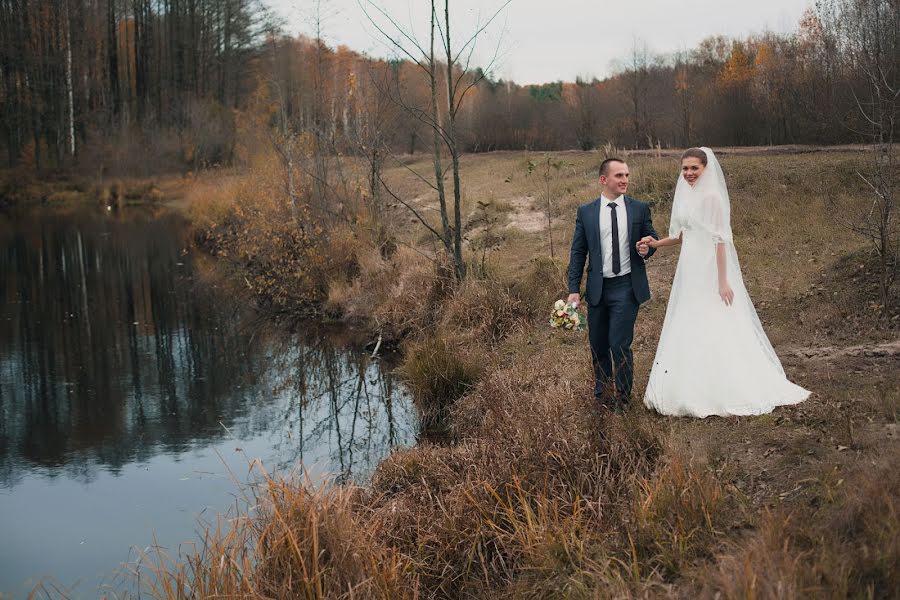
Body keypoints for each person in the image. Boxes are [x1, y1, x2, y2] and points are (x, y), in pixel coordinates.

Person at [639, 147, 810, 417]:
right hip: (689, 267)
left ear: (706, 168)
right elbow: (683, 235)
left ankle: (721, 386)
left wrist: (722, 281)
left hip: (709, 266)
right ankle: (684, 385)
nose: (689, 173)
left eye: (694, 168)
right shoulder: (686, 196)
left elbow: (720, 241)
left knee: (713, 317)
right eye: (685, 168)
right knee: (687, 317)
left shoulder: (713, 197)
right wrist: (656, 243)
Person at [567, 158, 659, 414]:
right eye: (619, 175)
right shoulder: (586, 212)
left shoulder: (639, 209)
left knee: (618, 343)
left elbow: (652, 240)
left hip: (627, 286)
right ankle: (602, 396)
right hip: (598, 288)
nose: (625, 180)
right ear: (603, 179)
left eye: (627, 175)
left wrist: (645, 248)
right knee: (598, 344)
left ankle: (623, 399)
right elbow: (578, 251)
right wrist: (574, 288)